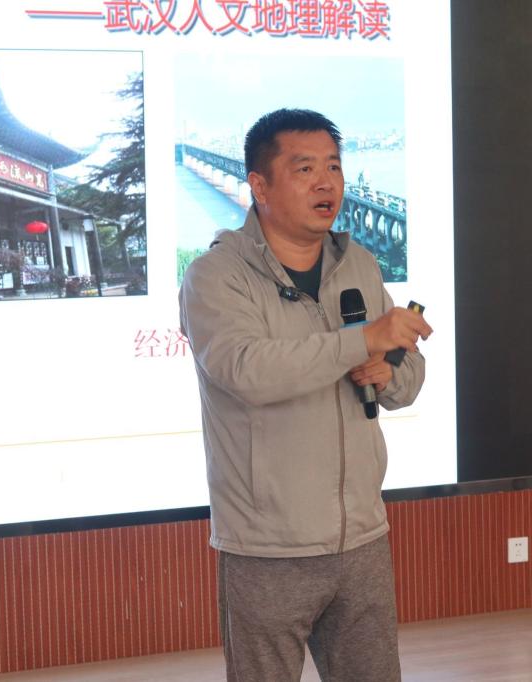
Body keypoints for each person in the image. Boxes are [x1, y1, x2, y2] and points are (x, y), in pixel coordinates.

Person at [179, 108, 432, 681]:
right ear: (259, 185)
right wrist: (360, 340)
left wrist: (387, 372)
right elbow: (247, 371)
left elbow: (406, 379)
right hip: (268, 547)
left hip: (361, 535)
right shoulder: (216, 276)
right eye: (305, 169)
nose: (326, 183)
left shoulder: (359, 264)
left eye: (334, 167)